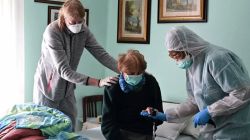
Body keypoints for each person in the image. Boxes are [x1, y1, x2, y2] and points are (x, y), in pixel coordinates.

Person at [141, 26, 250, 139]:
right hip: (209, 132)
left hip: (232, 131)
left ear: (187, 47)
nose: (177, 60)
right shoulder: (192, 64)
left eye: (177, 55)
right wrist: (166, 116)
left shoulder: (217, 58)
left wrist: (209, 111)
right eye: (173, 56)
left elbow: (243, 93)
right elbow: (194, 102)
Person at [33, 0, 118, 131]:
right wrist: (98, 82)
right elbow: (64, 70)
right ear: (63, 18)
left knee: (70, 127)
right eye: (73, 22)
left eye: (81, 21)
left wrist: (125, 70)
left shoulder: (83, 31)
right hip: (47, 89)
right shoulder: (52, 32)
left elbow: (101, 54)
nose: (78, 25)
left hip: (67, 90)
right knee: (47, 131)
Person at [101, 50, 163, 140]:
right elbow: (107, 123)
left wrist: (152, 114)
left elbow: (159, 117)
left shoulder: (151, 82)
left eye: (139, 73)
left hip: (145, 134)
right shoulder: (113, 86)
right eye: (131, 73)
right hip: (119, 134)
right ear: (122, 71)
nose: (136, 76)